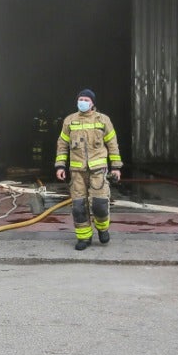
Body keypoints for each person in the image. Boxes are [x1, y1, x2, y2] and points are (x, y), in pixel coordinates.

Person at [54, 88, 123, 250]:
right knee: (78, 207)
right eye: (80, 99)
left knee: (99, 204)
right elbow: (62, 145)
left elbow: (113, 145)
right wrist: (60, 166)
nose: (82, 102)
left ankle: (102, 228)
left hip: (98, 170)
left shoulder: (103, 120)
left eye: (86, 100)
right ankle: (84, 238)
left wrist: (116, 168)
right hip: (77, 172)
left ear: (92, 103)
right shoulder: (69, 121)